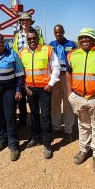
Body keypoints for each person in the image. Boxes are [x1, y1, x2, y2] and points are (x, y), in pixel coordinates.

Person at [66, 28, 95, 175]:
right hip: (78, 97)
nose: (84, 40)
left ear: (93, 39)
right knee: (83, 125)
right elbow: (68, 72)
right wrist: (69, 93)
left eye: (87, 38)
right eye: (81, 38)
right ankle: (83, 150)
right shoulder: (73, 54)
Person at [19, 29, 60, 159]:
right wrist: (25, 86)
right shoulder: (22, 53)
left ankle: (47, 144)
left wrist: (51, 84)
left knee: (46, 116)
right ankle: (36, 137)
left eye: (34, 38)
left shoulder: (47, 50)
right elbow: (20, 72)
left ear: (38, 39)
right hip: (30, 90)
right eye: (29, 39)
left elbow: (56, 67)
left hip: (44, 89)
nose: (32, 41)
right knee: (34, 115)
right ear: (27, 40)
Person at [0, 33, 24, 161]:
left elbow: (19, 74)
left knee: (10, 116)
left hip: (9, 88)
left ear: (4, 41)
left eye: (1, 42)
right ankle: (2, 139)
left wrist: (18, 89)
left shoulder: (13, 54)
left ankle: (13, 144)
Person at [12, 13, 44, 127]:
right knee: (21, 94)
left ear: (30, 22)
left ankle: (36, 121)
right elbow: (15, 51)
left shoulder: (37, 34)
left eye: (26, 20)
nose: (24, 23)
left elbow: (42, 49)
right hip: (21, 68)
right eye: (22, 21)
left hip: (34, 68)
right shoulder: (18, 35)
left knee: (33, 96)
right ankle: (23, 119)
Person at [49, 24, 77, 143]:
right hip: (54, 77)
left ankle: (68, 130)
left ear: (63, 32)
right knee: (54, 103)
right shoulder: (50, 45)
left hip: (67, 76)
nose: (58, 34)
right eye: (56, 32)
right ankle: (56, 127)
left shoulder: (71, 44)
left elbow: (75, 60)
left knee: (67, 103)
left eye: (60, 32)